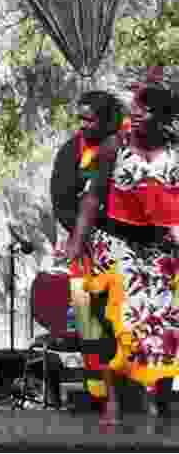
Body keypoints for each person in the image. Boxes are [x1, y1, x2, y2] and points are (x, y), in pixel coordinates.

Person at [64, 80, 179, 425]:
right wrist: (76, 242)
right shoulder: (115, 146)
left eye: (145, 108)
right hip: (117, 245)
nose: (136, 113)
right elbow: (92, 198)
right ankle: (112, 403)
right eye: (135, 106)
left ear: (162, 117)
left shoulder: (175, 151)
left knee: (165, 326)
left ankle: (162, 399)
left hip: (160, 248)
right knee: (121, 324)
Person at [50, 91, 128, 408]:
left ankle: (128, 391)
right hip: (86, 251)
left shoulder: (127, 148)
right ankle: (98, 395)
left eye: (90, 118)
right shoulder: (71, 151)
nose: (83, 125)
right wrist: (82, 235)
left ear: (109, 119)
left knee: (123, 321)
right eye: (80, 118)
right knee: (89, 323)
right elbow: (61, 201)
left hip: (125, 252)